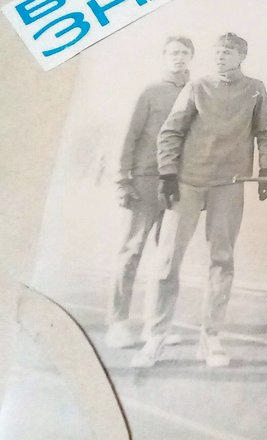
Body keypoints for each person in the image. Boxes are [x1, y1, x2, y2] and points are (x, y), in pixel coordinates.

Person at [131, 32, 267, 368]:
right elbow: (171, 131)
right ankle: (156, 336)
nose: (221, 56)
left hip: (229, 183)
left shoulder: (255, 89)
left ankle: (210, 337)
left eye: (228, 52)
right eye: (217, 52)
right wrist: (168, 173)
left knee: (222, 259)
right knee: (168, 260)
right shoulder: (197, 87)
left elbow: (266, 132)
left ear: (241, 56)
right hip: (188, 182)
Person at [105, 36, 194, 348]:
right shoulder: (150, 91)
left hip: (179, 184)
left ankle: (155, 327)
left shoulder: (197, 92)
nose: (178, 57)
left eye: (184, 52)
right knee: (132, 251)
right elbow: (128, 136)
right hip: (145, 180)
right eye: (173, 52)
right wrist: (122, 180)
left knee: (168, 258)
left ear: (191, 57)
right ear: (164, 56)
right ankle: (118, 323)